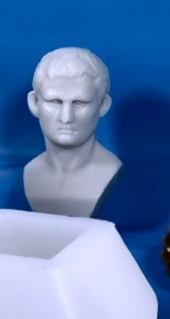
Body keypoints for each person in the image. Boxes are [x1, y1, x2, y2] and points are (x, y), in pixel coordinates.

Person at [24, 47, 121, 218]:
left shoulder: (111, 170)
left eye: (79, 103)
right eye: (55, 102)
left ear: (103, 105)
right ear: (34, 103)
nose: (66, 117)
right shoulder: (30, 172)